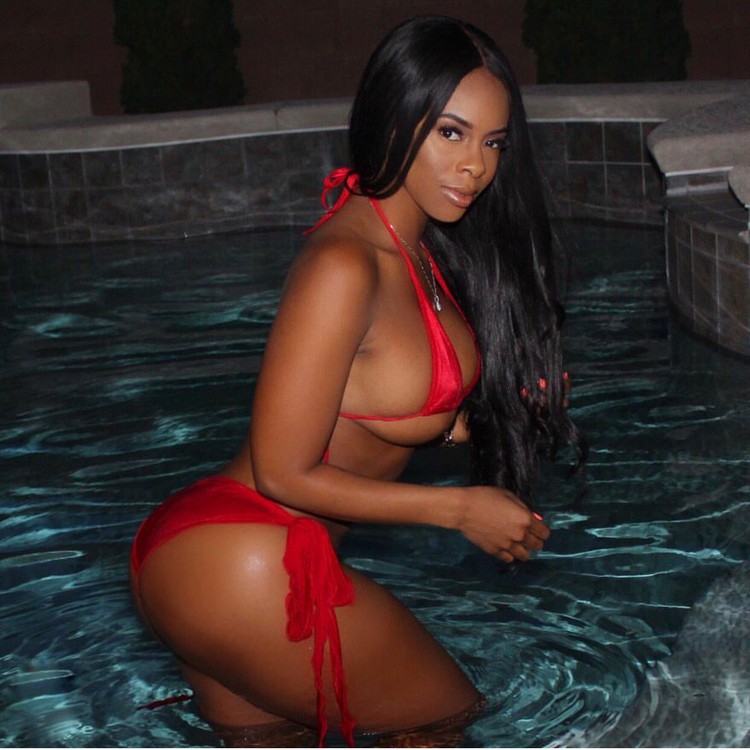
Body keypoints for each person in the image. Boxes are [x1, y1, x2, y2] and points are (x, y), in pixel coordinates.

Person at [130, 14, 585, 748]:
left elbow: (377, 413)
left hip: (216, 564)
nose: (475, 165)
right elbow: (282, 472)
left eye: (493, 143)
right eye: (451, 133)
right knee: (444, 725)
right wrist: (459, 510)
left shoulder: (416, 251)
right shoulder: (344, 265)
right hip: (249, 555)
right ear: (393, 117)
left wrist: (500, 415)